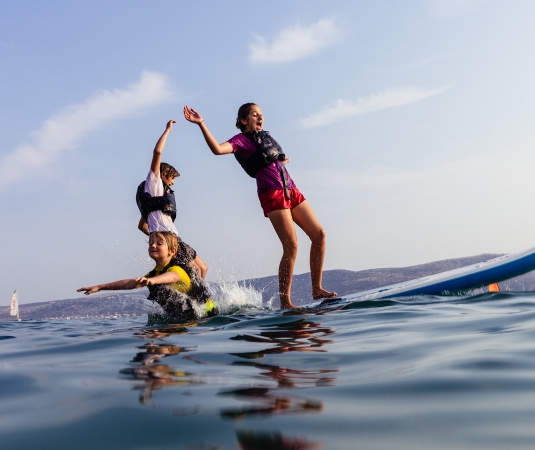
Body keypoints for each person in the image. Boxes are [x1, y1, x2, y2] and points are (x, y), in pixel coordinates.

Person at [183, 103, 336, 309]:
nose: (260, 117)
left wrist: (280, 162)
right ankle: (286, 302)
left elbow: (271, 157)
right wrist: (201, 123)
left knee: (319, 234)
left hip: (290, 188)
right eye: (255, 114)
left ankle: (317, 289)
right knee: (291, 245)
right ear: (244, 120)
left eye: (261, 114)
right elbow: (218, 150)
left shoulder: (265, 138)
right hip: (271, 192)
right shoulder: (241, 140)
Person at [77, 231, 218, 324]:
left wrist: (152, 281)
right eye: (150, 243)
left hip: (207, 314)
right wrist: (100, 287)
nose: (153, 245)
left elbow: (173, 277)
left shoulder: (177, 268)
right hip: (186, 317)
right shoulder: (155, 273)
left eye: (159, 243)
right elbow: (130, 283)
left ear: (172, 251)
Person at [136, 119, 208, 279]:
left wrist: (154, 235)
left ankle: (199, 298)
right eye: (171, 177)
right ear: (162, 175)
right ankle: (193, 299)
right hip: (169, 238)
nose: (173, 182)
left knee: (203, 268)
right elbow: (157, 152)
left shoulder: (154, 201)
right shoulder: (154, 183)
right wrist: (168, 130)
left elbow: (141, 226)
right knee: (195, 270)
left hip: (174, 237)